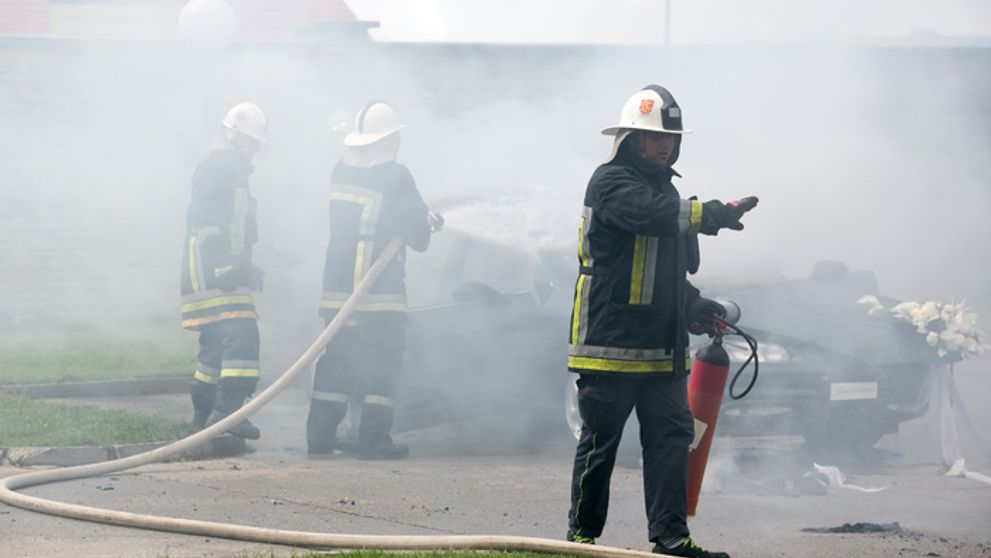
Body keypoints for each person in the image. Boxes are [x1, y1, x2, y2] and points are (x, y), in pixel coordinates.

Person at [565, 85, 757, 558]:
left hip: (661, 349)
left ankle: (671, 539)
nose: (664, 144)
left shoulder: (665, 189)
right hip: (609, 343)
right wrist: (711, 213)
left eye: (670, 137)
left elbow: (662, 267)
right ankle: (582, 540)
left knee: (672, 439)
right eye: (653, 137)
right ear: (630, 139)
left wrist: (692, 304)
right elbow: (649, 216)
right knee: (601, 445)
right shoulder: (610, 183)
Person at [306, 100, 441, 460]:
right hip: (379, 294)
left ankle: (318, 437)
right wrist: (428, 222)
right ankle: (373, 439)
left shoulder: (341, 170)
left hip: (338, 290)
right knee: (383, 363)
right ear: (390, 139)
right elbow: (416, 233)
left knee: (336, 361)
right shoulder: (396, 175)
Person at [180, 102, 268, 440]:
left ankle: (204, 412)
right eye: (251, 141)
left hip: (209, 268)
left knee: (215, 340)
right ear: (235, 138)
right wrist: (228, 265)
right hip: (217, 270)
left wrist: (247, 265)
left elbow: (232, 226)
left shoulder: (226, 169)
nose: (255, 148)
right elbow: (208, 222)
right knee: (242, 337)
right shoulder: (223, 169)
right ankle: (229, 414)